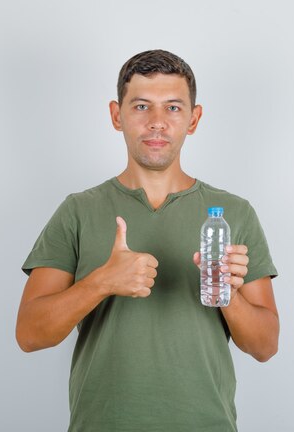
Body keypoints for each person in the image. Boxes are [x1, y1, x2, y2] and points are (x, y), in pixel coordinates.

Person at [16, 49, 279, 432]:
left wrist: (226, 292)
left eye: (173, 108)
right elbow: (29, 334)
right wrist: (102, 281)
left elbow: (265, 346)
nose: (157, 123)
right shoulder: (77, 211)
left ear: (194, 119)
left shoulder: (233, 214)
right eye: (141, 106)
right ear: (116, 115)